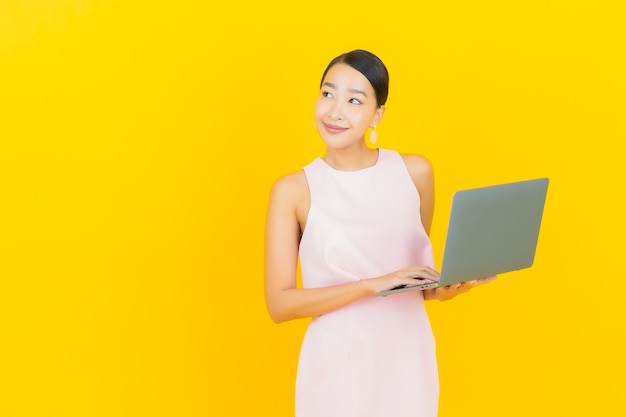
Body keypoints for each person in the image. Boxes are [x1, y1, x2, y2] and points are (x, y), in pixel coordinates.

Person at [264, 49, 494, 417]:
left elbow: (414, 281)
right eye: (328, 94)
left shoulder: (414, 173)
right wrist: (371, 284)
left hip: (408, 357)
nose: (335, 111)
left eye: (354, 100)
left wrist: (445, 289)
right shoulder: (294, 190)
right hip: (337, 363)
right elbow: (279, 305)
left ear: (377, 115)